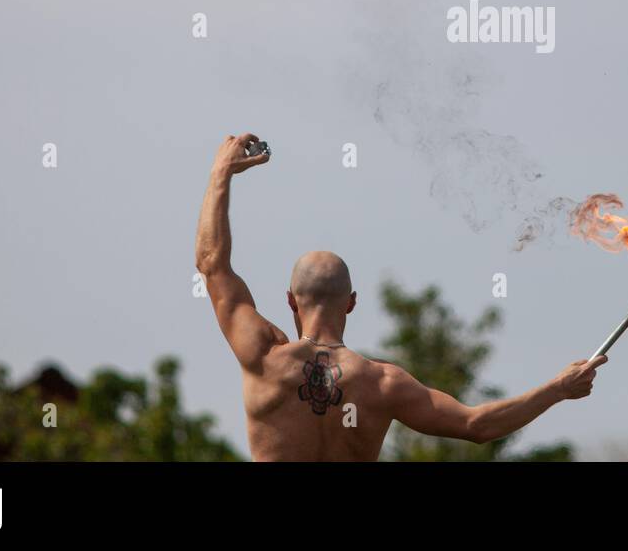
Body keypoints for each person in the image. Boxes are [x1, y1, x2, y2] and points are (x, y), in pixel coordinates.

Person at [194, 132, 606, 461]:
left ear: (291, 301)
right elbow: (476, 426)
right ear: (352, 302)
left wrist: (220, 174)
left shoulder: (263, 356)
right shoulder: (383, 383)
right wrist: (557, 388)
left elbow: (212, 264)